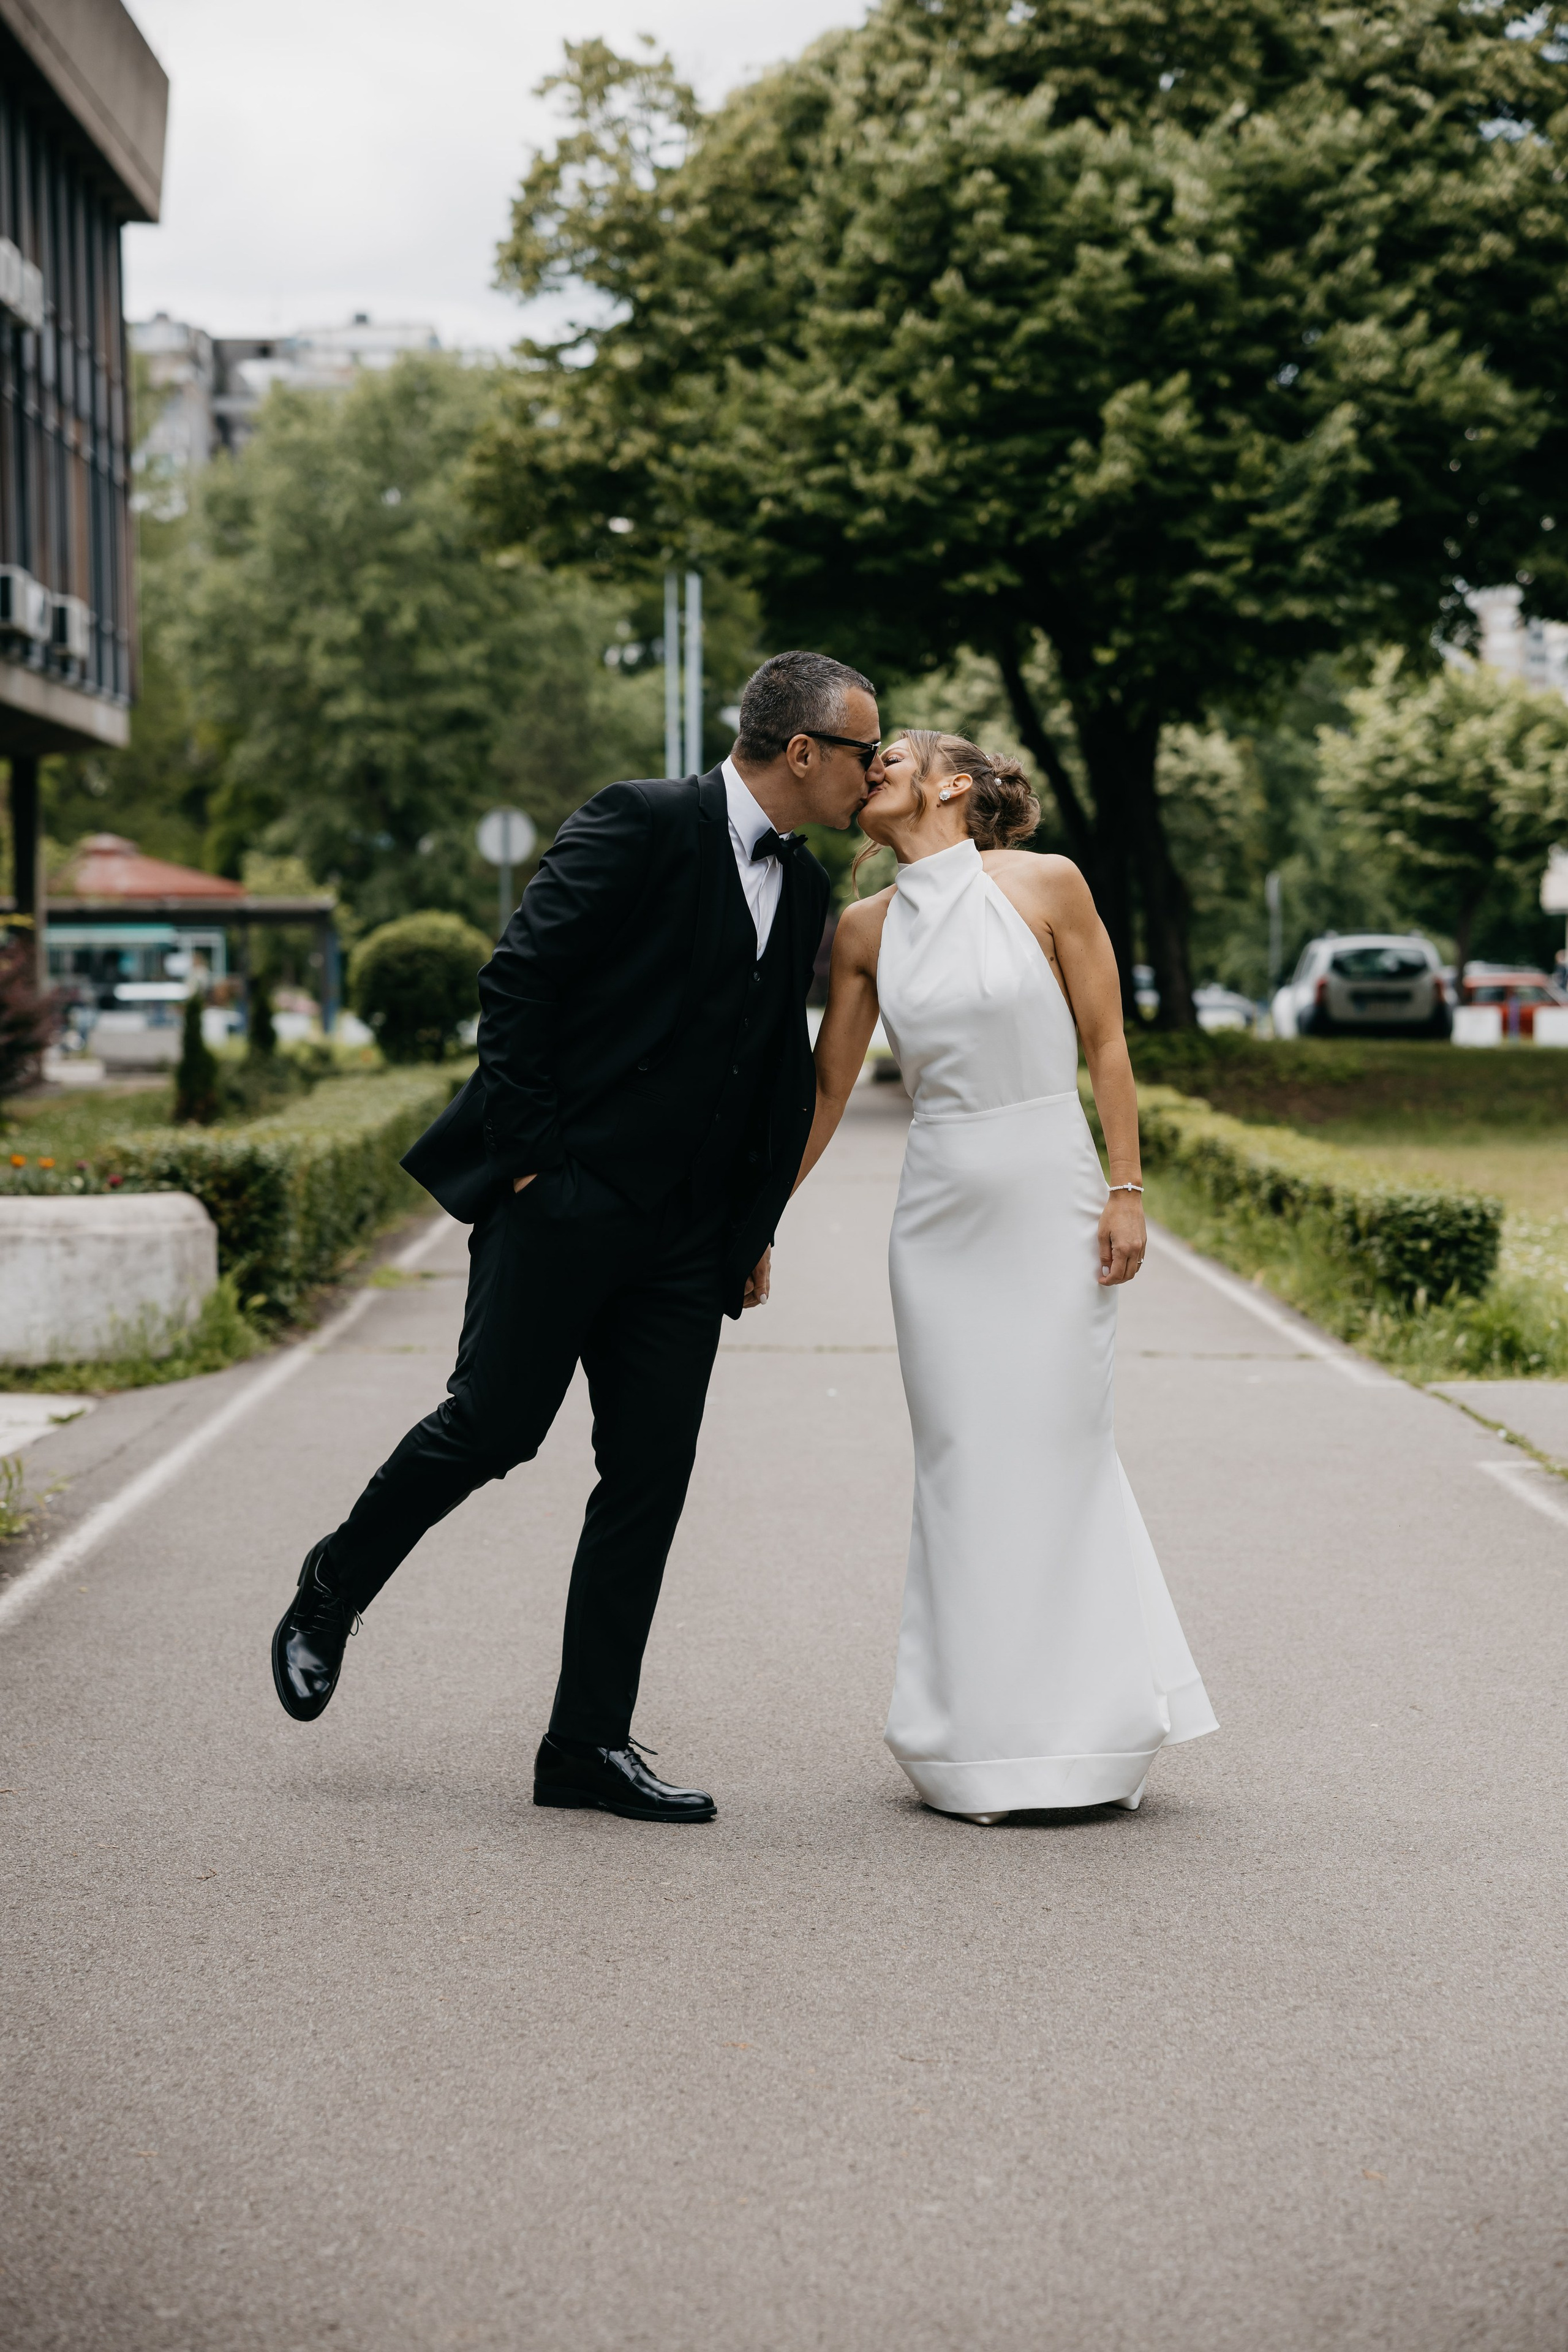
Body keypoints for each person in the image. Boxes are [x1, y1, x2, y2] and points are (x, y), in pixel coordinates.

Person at [270, 652, 884, 1822]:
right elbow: (519, 987)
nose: (875, 769)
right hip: (564, 1203)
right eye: (866, 749)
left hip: (684, 1240)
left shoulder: (806, 892)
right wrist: (538, 1162)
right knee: (493, 1427)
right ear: (804, 751)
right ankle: (332, 1584)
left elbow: (766, 1081)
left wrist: (749, 1227)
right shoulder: (639, 821)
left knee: (648, 1476)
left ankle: (585, 1745)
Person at [800, 731, 1217, 1823]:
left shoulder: (1046, 883)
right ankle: (972, 1746)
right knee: (963, 1462)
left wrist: (1126, 1190)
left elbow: (1107, 1046)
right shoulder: (862, 931)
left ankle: (1095, 1733)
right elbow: (827, 1095)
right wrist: (755, 1222)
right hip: (938, 1216)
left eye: (893, 752)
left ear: (953, 783)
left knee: (1062, 1451)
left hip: (1050, 1197)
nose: (872, 763)